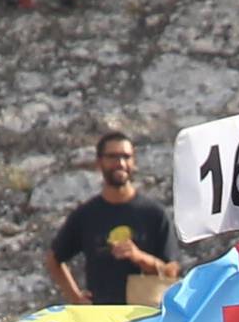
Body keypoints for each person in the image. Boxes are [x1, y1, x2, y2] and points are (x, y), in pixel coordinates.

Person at [45, 129, 177, 305]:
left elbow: (171, 272)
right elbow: (54, 259)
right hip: (101, 321)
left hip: (143, 319)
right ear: (99, 163)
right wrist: (75, 297)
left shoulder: (154, 214)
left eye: (126, 157)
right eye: (113, 157)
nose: (120, 163)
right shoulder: (86, 215)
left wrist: (139, 257)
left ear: (134, 162)